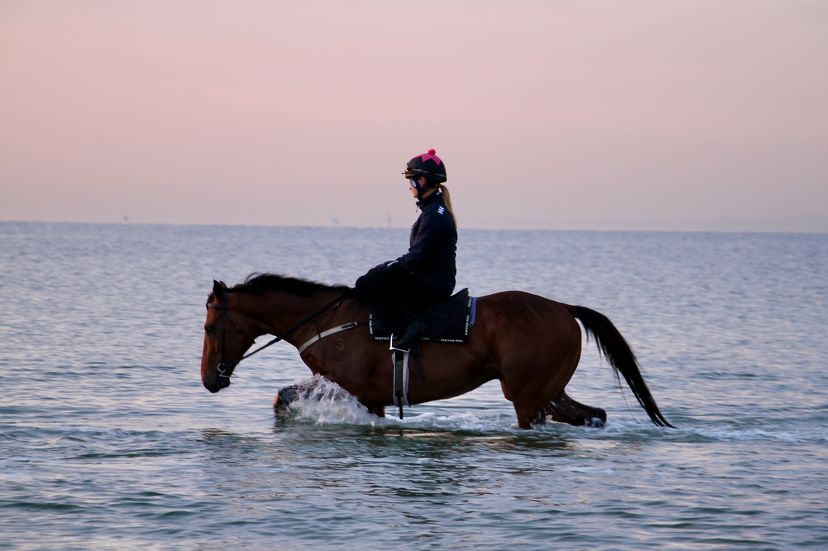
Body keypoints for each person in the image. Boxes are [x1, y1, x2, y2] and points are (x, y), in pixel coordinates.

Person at [355, 148, 458, 350]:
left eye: (411, 180)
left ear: (422, 181)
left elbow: (416, 257)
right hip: (431, 278)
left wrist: (385, 268)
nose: (409, 186)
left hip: (432, 284)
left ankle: (411, 326)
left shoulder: (434, 216)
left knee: (368, 283)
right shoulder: (433, 210)